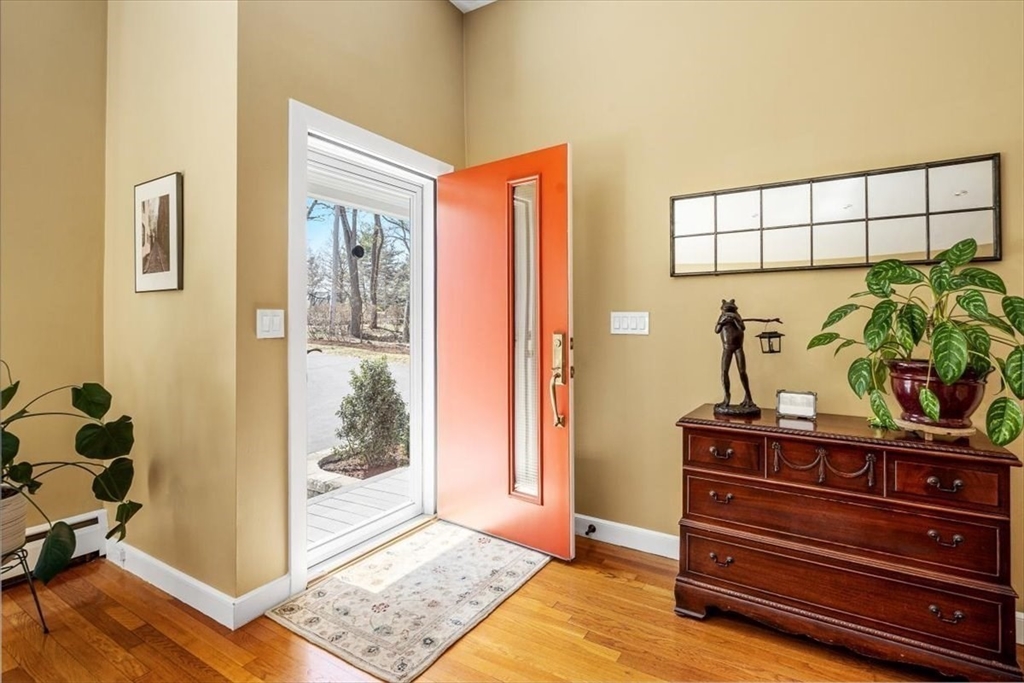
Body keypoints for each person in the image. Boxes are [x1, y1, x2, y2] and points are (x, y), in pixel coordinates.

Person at [715, 299, 756, 411]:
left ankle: (748, 397)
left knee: (742, 371)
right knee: (724, 371)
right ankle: (726, 397)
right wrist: (722, 321)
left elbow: (742, 328)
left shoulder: (737, 316)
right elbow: (717, 330)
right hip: (727, 348)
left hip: (738, 348)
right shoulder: (722, 317)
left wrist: (735, 319)